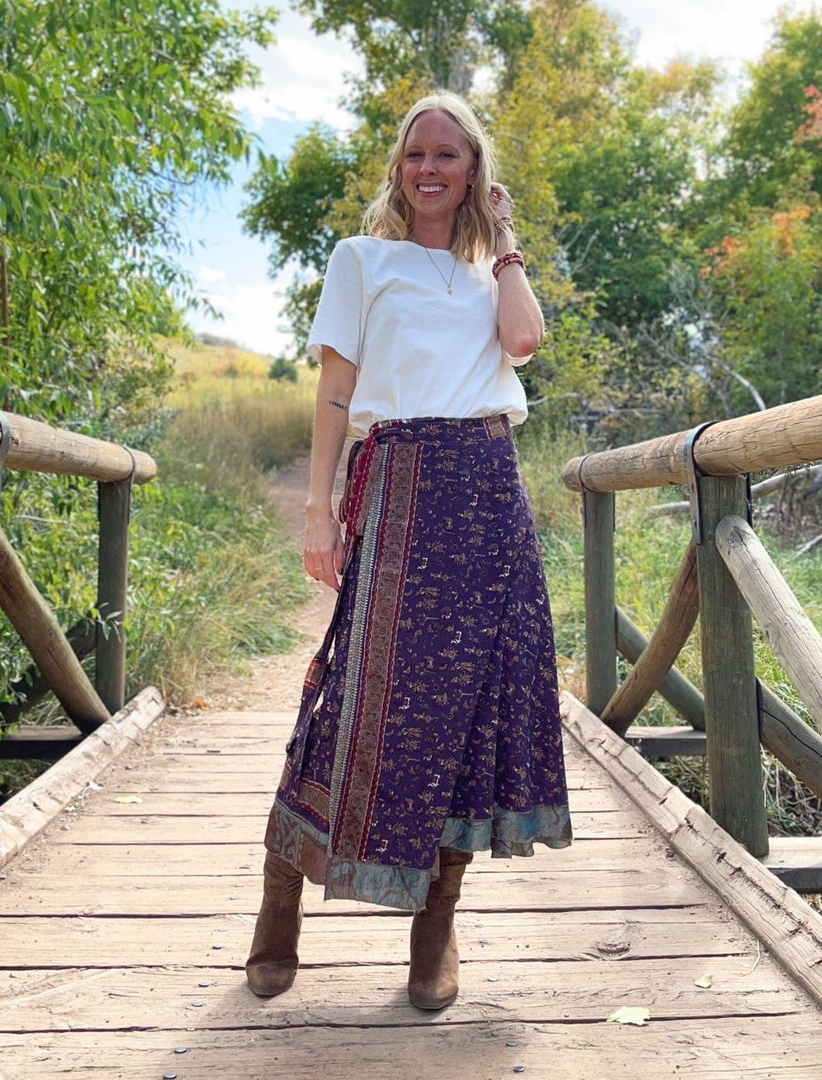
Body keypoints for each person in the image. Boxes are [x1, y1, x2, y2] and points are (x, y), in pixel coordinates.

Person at [246, 89, 572, 1011]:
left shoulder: (490, 274)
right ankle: (281, 895)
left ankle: (437, 921)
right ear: (399, 168)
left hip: (490, 492)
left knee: (474, 706)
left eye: (450, 156)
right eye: (415, 155)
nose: (429, 170)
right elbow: (336, 400)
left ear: (474, 172)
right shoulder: (362, 261)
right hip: (397, 483)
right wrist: (318, 507)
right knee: (357, 699)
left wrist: (505, 242)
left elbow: (523, 339)